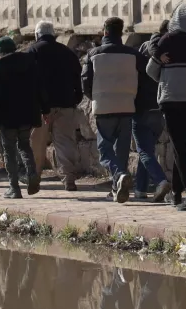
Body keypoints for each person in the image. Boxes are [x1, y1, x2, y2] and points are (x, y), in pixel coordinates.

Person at [147, 3, 186, 212]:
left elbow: (151, 70)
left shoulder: (168, 39)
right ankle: (176, 193)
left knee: (179, 147)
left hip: (172, 98)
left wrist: (167, 77)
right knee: (180, 144)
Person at [82, 17, 140, 203]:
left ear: (105, 31)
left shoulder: (93, 54)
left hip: (104, 107)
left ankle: (119, 174)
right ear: (121, 32)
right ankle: (117, 188)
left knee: (105, 150)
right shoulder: (133, 54)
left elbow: (85, 82)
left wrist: (96, 97)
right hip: (127, 107)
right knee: (122, 150)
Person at [0, 36, 44, 199]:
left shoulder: (0, 66)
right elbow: (39, 89)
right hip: (27, 115)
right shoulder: (31, 63)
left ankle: (14, 188)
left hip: (7, 117)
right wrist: (45, 109)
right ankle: (32, 173)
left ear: (0, 53)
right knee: (24, 145)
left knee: (9, 151)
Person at [27, 21, 83, 191]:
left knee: (37, 142)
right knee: (65, 142)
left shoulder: (32, 51)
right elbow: (77, 77)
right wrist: (76, 98)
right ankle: (69, 179)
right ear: (53, 34)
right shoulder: (67, 52)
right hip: (66, 104)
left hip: (41, 107)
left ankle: (34, 176)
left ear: (37, 35)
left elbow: (28, 79)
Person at [133, 21, 171, 202]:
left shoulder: (152, 46)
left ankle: (160, 180)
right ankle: (140, 189)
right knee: (147, 149)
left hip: (143, 107)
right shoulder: (165, 49)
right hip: (159, 107)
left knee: (144, 150)